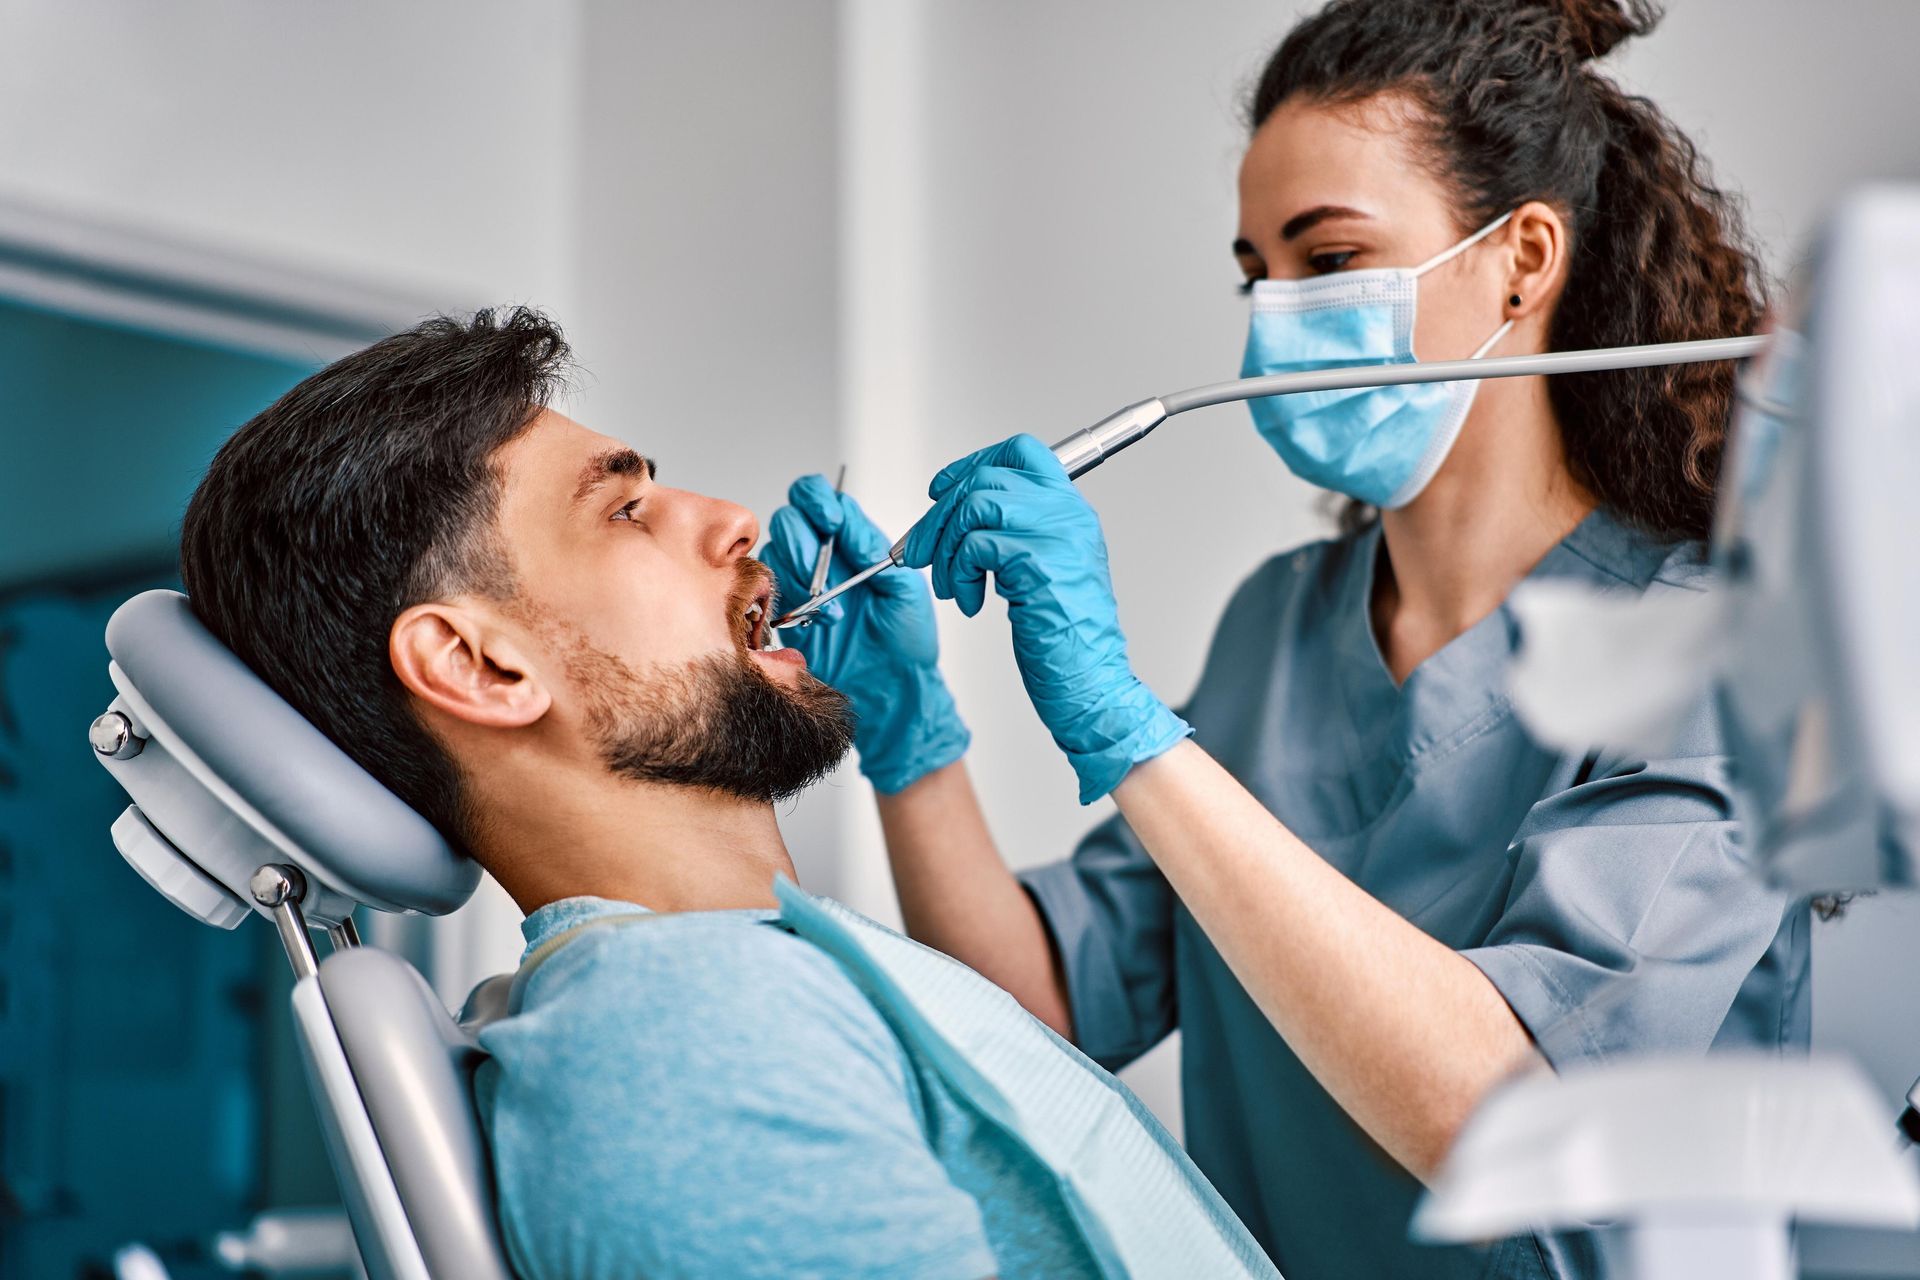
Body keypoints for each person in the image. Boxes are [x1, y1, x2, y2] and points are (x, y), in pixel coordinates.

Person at [764, 1, 1799, 1277]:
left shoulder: (1711, 645)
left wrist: (1128, 726)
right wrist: (908, 730)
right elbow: (1041, 1002)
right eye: (1257, 270)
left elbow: (1510, 1113)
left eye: (1329, 259)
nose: (1273, 317)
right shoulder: (1277, 626)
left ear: (1524, 258)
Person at [177, 310, 1277, 1280]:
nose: (736, 520)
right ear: (482, 665)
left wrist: (916, 737)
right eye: (626, 510)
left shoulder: (734, 981)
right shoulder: (679, 1043)